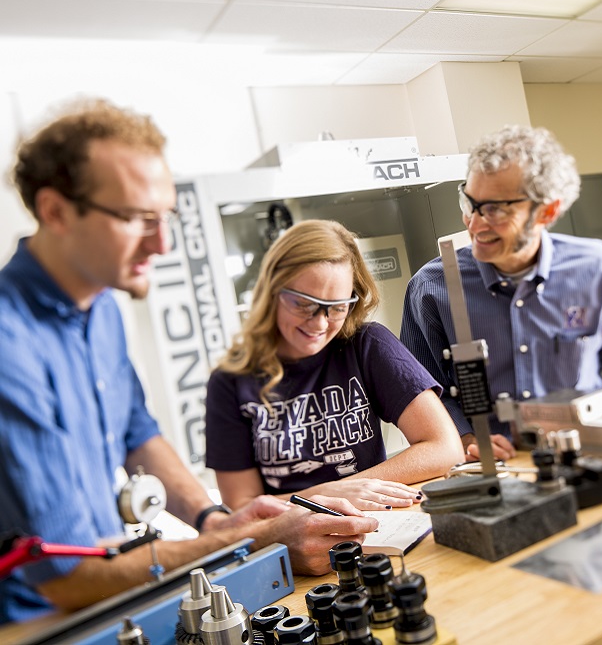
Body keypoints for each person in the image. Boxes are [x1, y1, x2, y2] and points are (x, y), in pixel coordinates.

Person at [0, 100, 377, 624]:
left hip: (104, 598)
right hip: (31, 622)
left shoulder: (100, 309)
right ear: (56, 211)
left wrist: (212, 519)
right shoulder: (8, 344)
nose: (162, 242)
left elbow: (137, 433)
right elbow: (68, 578)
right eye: (138, 219)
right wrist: (257, 538)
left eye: (166, 217)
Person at [401, 125, 602, 461]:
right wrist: (464, 437)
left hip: (590, 450)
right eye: (470, 203)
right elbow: (422, 390)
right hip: (497, 466)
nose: (474, 224)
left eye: (495, 209)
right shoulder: (431, 288)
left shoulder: (597, 267)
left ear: (546, 212)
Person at [205, 219, 464, 512]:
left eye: (337, 307)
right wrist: (328, 495)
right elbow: (241, 508)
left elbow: (445, 448)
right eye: (303, 304)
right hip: (291, 545)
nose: (319, 323)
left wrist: (357, 488)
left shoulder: (368, 345)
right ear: (272, 292)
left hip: (374, 527)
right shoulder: (229, 382)